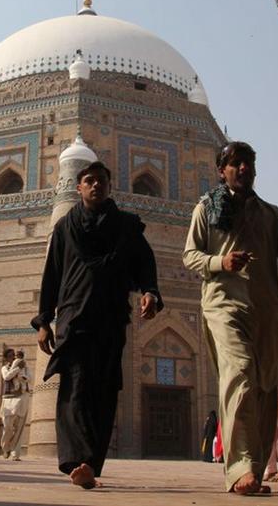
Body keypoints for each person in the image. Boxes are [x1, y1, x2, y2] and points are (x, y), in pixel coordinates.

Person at [183, 142, 278, 495]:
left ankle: (254, 473)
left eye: (248, 163)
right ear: (222, 171)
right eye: (235, 163)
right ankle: (240, 468)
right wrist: (221, 263)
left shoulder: (270, 214)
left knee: (264, 390)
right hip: (224, 304)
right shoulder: (207, 208)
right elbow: (190, 255)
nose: (243, 168)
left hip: (266, 311)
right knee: (240, 374)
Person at [33, 161, 163, 490]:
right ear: (78, 187)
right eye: (89, 181)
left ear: (109, 186)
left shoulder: (126, 227)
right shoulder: (65, 226)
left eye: (101, 181)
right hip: (74, 318)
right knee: (75, 388)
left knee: (103, 391)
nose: (96, 186)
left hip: (110, 317)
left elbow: (145, 262)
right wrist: (43, 320)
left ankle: (90, 462)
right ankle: (78, 460)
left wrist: (150, 291)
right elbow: (52, 274)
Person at [0, 349, 31, 461]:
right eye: (10, 356)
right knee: (7, 426)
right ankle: (5, 448)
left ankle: (15, 453)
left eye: (13, 355)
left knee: (19, 427)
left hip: (22, 397)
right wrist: (17, 368)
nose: (13, 357)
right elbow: (7, 377)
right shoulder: (4, 368)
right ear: (6, 358)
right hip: (9, 399)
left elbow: (30, 378)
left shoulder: (26, 367)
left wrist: (23, 376)